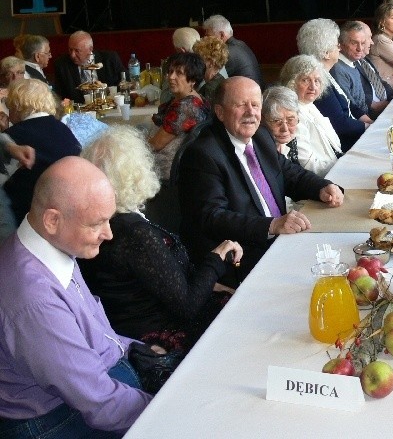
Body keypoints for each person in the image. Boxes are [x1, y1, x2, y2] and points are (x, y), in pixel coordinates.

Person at [0, 157, 152, 436]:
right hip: (53, 419)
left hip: (92, 390)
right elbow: (100, 405)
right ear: (53, 220)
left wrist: (137, 347)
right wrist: (168, 410)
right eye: (97, 224)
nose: (108, 234)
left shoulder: (48, 247)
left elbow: (96, 331)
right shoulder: (35, 301)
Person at [80, 126, 243, 352]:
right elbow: (187, 305)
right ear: (137, 169)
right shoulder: (133, 233)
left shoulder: (105, 224)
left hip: (137, 325)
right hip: (161, 339)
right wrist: (217, 258)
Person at [178, 77, 343, 279]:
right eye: (241, 105)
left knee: (337, 258)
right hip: (242, 257)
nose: (250, 112)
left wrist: (322, 187)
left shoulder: (260, 136)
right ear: (220, 112)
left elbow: (289, 173)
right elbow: (213, 217)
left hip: (280, 242)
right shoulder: (203, 154)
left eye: (255, 105)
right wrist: (272, 225)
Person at [4, 79, 82, 224]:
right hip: (72, 210)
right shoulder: (63, 129)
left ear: (17, 105)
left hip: (29, 218)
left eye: (9, 106)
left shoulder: (13, 137)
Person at [296, 18, 367, 150]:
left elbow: (350, 105)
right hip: (349, 145)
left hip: (357, 133)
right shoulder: (316, 83)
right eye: (337, 45)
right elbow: (340, 123)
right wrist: (368, 127)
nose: (339, 48)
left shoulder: (327, 74)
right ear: (326, 53)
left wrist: (369, 121)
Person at [149, 52, 211, 182]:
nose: (171, 77)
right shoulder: (192, 98)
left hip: (167, 169)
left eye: (179, 73)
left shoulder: (186, 107)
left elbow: (155, 145)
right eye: (170, 71)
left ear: (193, 80)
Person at [279, 55, 343, 175]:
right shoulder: (292, 114)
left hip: (335, 166)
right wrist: (342, 169)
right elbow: (308, 164)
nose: (313, 87)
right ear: (291, 83)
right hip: (322, 179)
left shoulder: (309, 105)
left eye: (317, 81)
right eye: (305, 80)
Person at [331, 20, 393, 121]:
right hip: (363, 122)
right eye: (354, 43)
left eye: (363, 43)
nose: (360, 48)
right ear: (341, 45)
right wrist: (370, 124)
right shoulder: (338, 69)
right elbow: (352, 108)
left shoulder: (353, 61)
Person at [53, 30, 125, 103]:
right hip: (79, 110)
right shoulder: (62, 65)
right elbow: (59, 94)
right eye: (70, 50)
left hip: (110, 105)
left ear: (90, 49)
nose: (72, 55)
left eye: (77, 51)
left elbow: (125, 82)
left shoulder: (110, 59)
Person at [202, 14, 264, 89]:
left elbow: (211, 84)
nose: (206, 40)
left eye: (208, 36)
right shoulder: (240, 44)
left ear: (221, 35)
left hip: (249, 96)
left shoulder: (226, 53)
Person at [261, 86, 301, 165]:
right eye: (276, 121)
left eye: (290, 120)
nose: (285, 129)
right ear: (262, 120)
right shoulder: (261, 153)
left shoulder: (292, 141)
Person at [193, 35, 229, 100]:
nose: (194, 63)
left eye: (198, 59)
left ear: (211, 63)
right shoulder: (221, 79)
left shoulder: (210, 89)